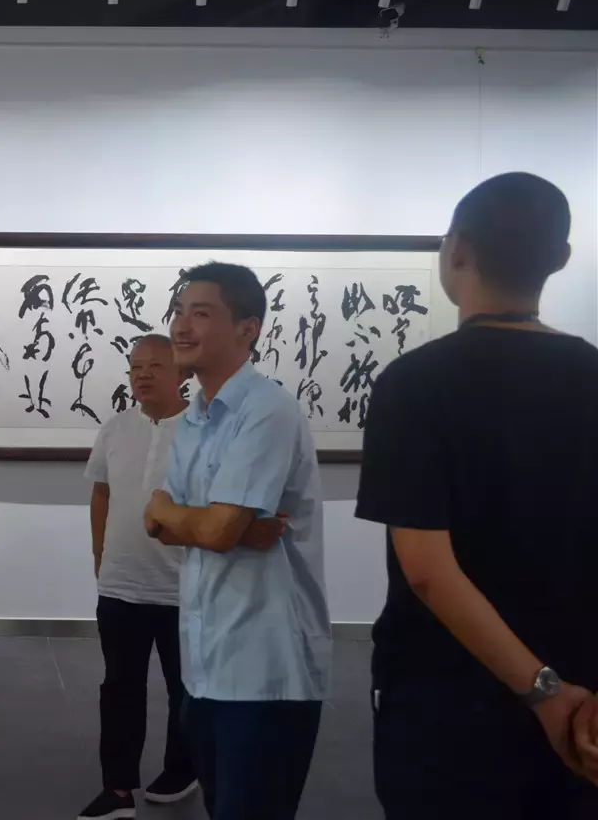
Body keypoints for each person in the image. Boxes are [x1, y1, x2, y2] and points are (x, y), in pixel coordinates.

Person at [355, 172, 598, 818]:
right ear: (561, 258)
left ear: (456, 249)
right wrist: (566, 697)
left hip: (446, 704)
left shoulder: (414, 383)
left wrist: (543, 693)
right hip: (583, 702)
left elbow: (429, 571)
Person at [144, 262, 331, 820]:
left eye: (201, 314)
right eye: (179, 312)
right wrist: (199, 521)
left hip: (266, 670)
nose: (181, 326)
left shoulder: (267, 409)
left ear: (248, 329)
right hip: (204, 665)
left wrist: (188, 517)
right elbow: (156, 524)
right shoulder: (195, 418)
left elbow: (211, 530)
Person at [77, 335, 198, 820]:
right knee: (120, 688)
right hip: (121, 585)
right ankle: (119, 788)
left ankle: (182, 769)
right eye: (135, 367)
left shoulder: (202, 429)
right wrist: (99, 554)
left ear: (182, 373)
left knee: (185, 688)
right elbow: (101, 493)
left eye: (155, 366)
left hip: (184, 588)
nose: (142, 375)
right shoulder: (115, 428)